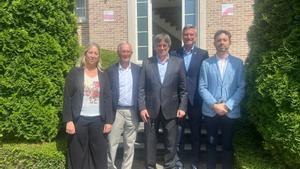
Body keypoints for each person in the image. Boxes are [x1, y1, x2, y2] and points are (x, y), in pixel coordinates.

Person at [138, 33, 188, 169]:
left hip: (172, 109)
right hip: (150, 110)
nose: (161, 48)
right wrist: (142, 107)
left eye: (164, 45)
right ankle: (150, 166)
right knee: (149, 142)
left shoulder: (178, 62)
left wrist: (182, 107)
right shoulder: (147, 62)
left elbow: (183, 89)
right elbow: (141, 88)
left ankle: (170, 165)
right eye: (159, 45)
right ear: (155, 47)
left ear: (169, 47)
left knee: (171, 142)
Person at [199, 30, 245, 169]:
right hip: (211, 111)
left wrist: (228, 106)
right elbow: (202, 87)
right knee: (211, 143)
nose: (222, 42)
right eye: (219, 40)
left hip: (230, 111)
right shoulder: (206, 63)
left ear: (229, 42)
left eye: (225, 39)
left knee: (227, 144)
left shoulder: (238, 63)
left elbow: (241, 87)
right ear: (214, 43)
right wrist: (214, 105)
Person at [62, 43, 113, 169]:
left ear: (98, 57)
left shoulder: (103, 74)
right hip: (79, 120)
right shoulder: (75, 73)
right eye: (90, 52)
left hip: (98, 120)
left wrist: (109, 121)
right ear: (85, 54)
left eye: (96, 53)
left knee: (99, 155)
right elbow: (67, 97)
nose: (93, 55)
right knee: (78, 154)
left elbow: (107, 98)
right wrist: (68, 120)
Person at [173, 25, 209, 169]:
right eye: (186, 34)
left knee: (195, 132)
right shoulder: (175, 53)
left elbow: (204, 75)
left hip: (196, 99)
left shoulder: (202, 54)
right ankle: (178, 161)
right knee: (179, 132)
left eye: (191, 35)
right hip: (178, 100)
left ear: (195, 36)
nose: (188, 37)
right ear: (182, 36)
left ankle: (195, 161)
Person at [107, 41, 141, 169]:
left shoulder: (138, 70)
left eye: (128, 51)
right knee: (112, 142)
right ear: (118, 53)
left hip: (132, 111)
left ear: (131, 53)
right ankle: (110, 166)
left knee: (129, 144)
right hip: (116, 111)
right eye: (123, 51)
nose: (125, 54)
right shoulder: (110, 70)